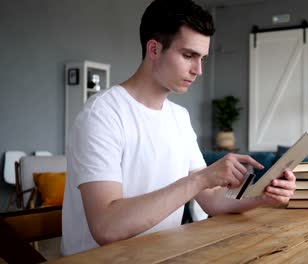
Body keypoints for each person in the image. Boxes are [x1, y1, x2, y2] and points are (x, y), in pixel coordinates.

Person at [61, 0, 296, 256]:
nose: (198, 70)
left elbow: (211, 199)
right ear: (154, 49)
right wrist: (200, 178)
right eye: (188, 56)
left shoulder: (179, 117)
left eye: (202, 58)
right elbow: (106, 227)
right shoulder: (102, 114)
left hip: (162, 256)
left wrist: (263, 196)